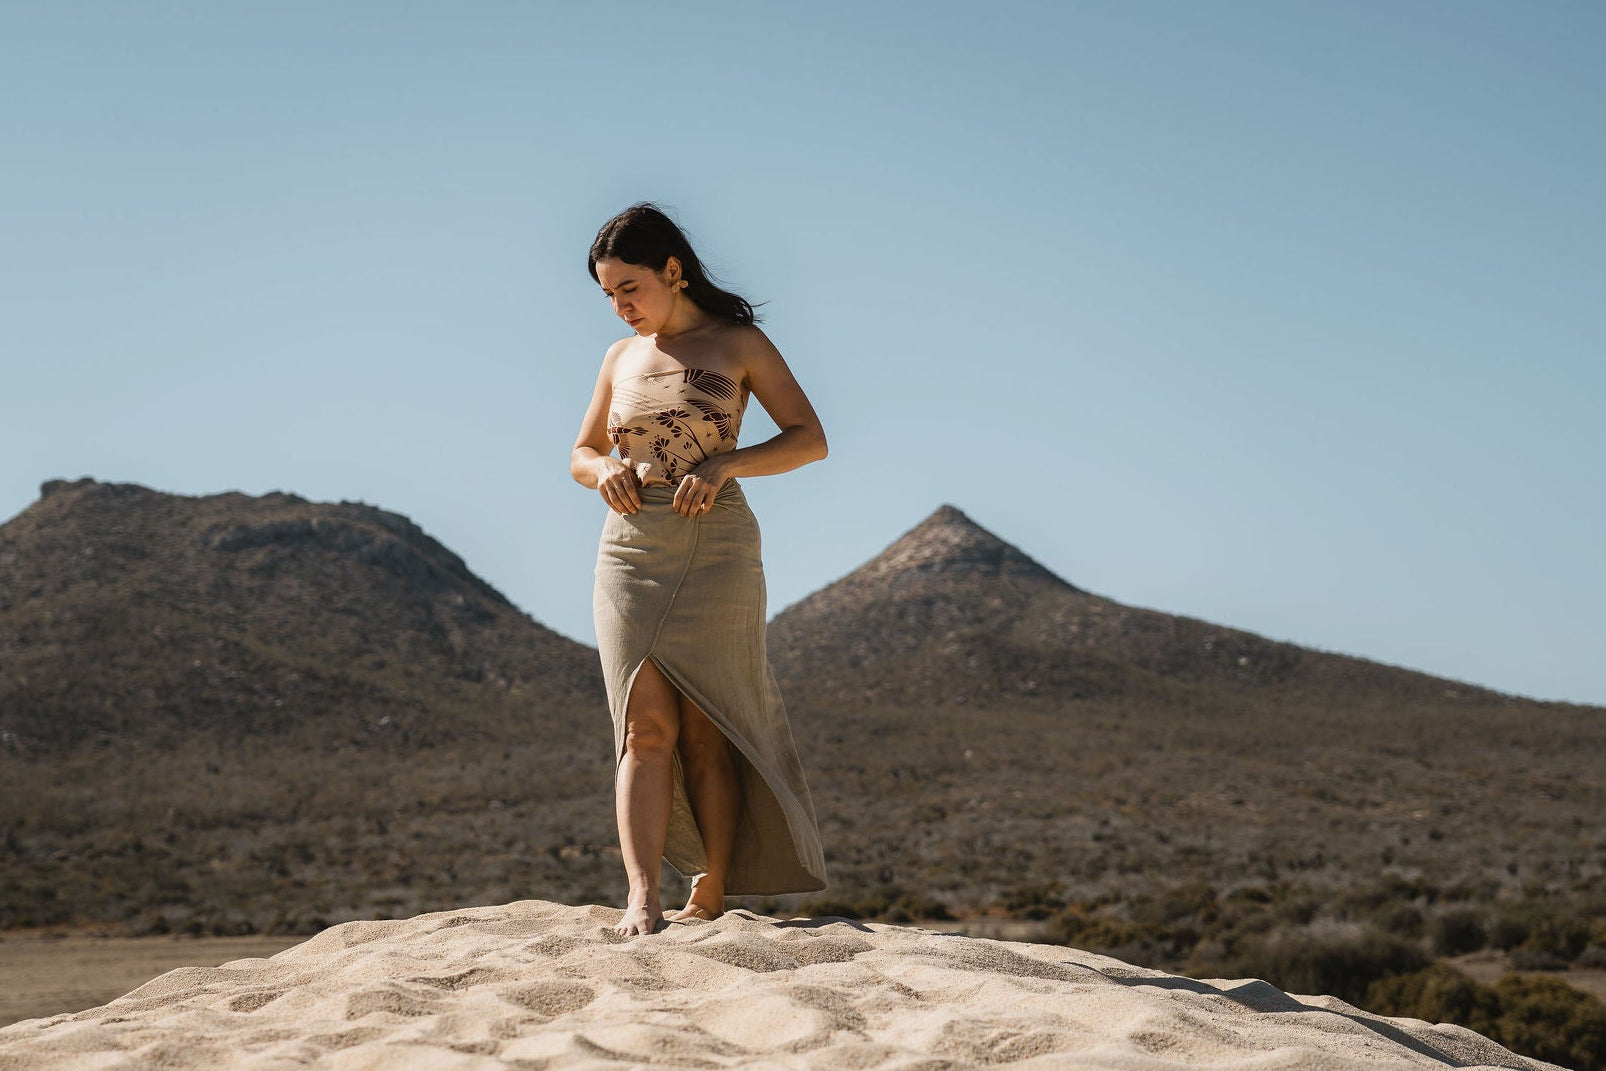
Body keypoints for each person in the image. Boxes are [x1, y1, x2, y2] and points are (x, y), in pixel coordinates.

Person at [570, 202, 830, 937]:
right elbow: (580, 452)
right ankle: (642, 895)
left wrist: (727, 464)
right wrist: (602, 474)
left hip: (716, 545)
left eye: (630, 288)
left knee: (708, 727)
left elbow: (810, 438)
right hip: (629, 549)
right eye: (608, 295)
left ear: (673, 271)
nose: (620, 306)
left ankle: (711, 889)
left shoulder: (739, 342)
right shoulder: (618, 360)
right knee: (642, 728)